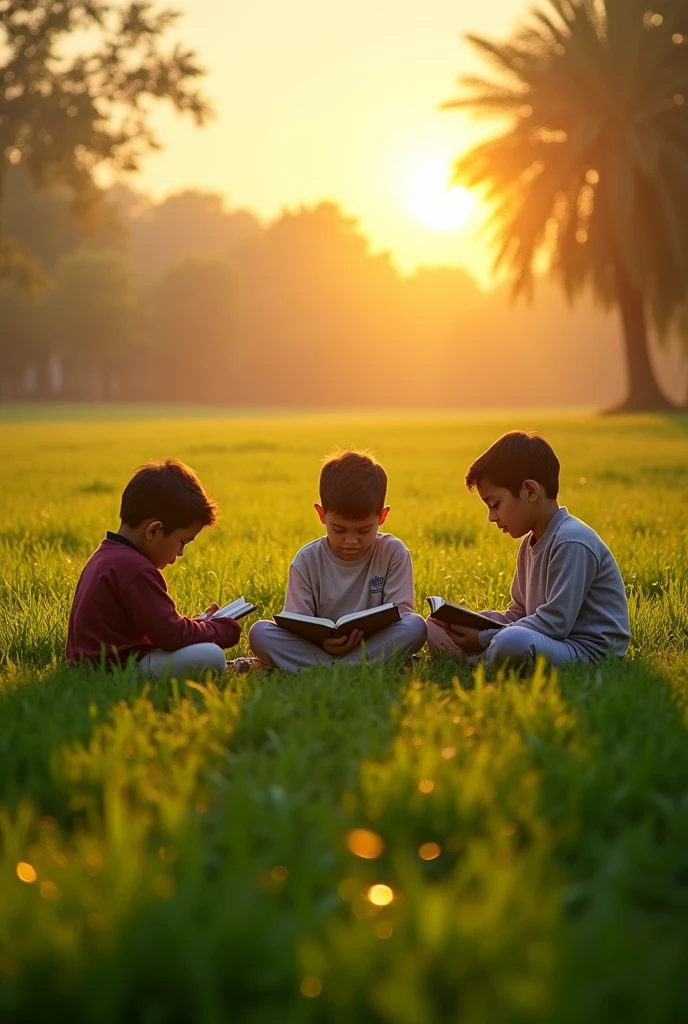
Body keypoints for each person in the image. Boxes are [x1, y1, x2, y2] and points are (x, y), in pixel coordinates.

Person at [427, 431, 630, 668]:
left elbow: (556, 623)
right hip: (548, 640)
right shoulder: (530, 542)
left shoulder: (572, 541)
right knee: (433, 626)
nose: (492, 517)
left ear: (530, 491)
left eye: (495, 504)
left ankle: (480, 660)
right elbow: (519, 613)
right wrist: (472, 623)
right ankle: (484, 658)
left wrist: (483, 637)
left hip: (587, 651)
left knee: (512, 642)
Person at [249, 450, 427, 672]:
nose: (351, 541)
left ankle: (326, 669)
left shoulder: (393, 553)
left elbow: (401, 614)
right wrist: (322, 643)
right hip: (319, 648)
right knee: (259, 632)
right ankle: (354, 667)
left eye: (364, 530)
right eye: (339, 529)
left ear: (382, 517)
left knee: (416, 625)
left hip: (372, 644)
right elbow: (297, 624)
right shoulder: (307, 560)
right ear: (322, 514)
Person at [66, 458, 244, 678]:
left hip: (96, 666)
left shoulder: (106, 556)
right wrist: (221, 629)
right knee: (210, 655)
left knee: (200, 650)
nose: (181, 553)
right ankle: (228, 665)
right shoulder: (135, 569)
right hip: (118, 669)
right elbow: (171, 636)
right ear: (153, 531)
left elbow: (160, 628)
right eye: (183, 542)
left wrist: (199, 624)